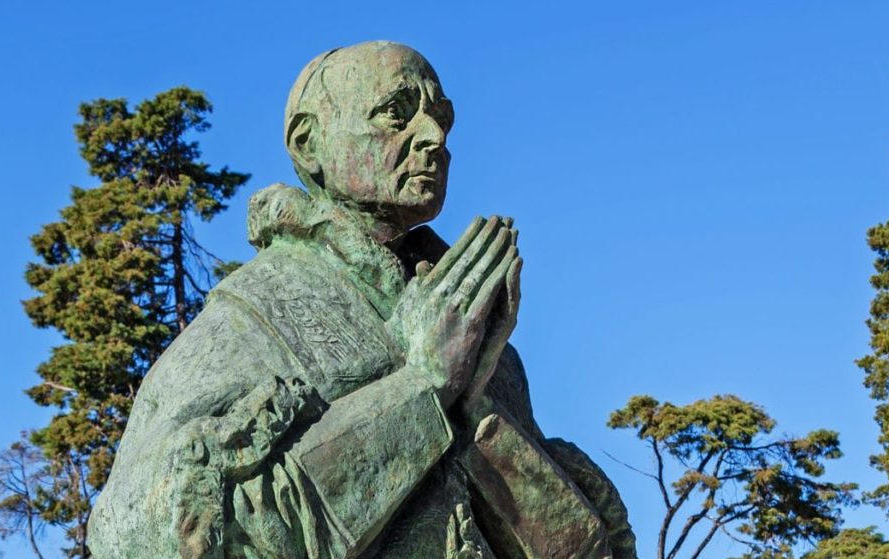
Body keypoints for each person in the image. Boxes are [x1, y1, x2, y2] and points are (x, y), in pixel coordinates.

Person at [88, 41, 636, 559]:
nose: (435, 137)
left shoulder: (473, 330)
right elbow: (146, 537)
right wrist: (422, 386)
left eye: (442, 117)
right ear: (309, 144)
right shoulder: (250, 317)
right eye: (396, 114)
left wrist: (478, 412)